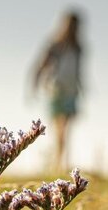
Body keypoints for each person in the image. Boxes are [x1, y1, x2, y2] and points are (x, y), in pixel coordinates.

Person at [33, 11, 84, 173]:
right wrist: (35, 83)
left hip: (71, 91)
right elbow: (41, 65)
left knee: (66, 129)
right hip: (56, 90)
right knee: (60, 129)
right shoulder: (55, 45)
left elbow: (79, 71)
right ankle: (58, 163)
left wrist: (81, 88)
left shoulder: (78, 48)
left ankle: (62, 163)